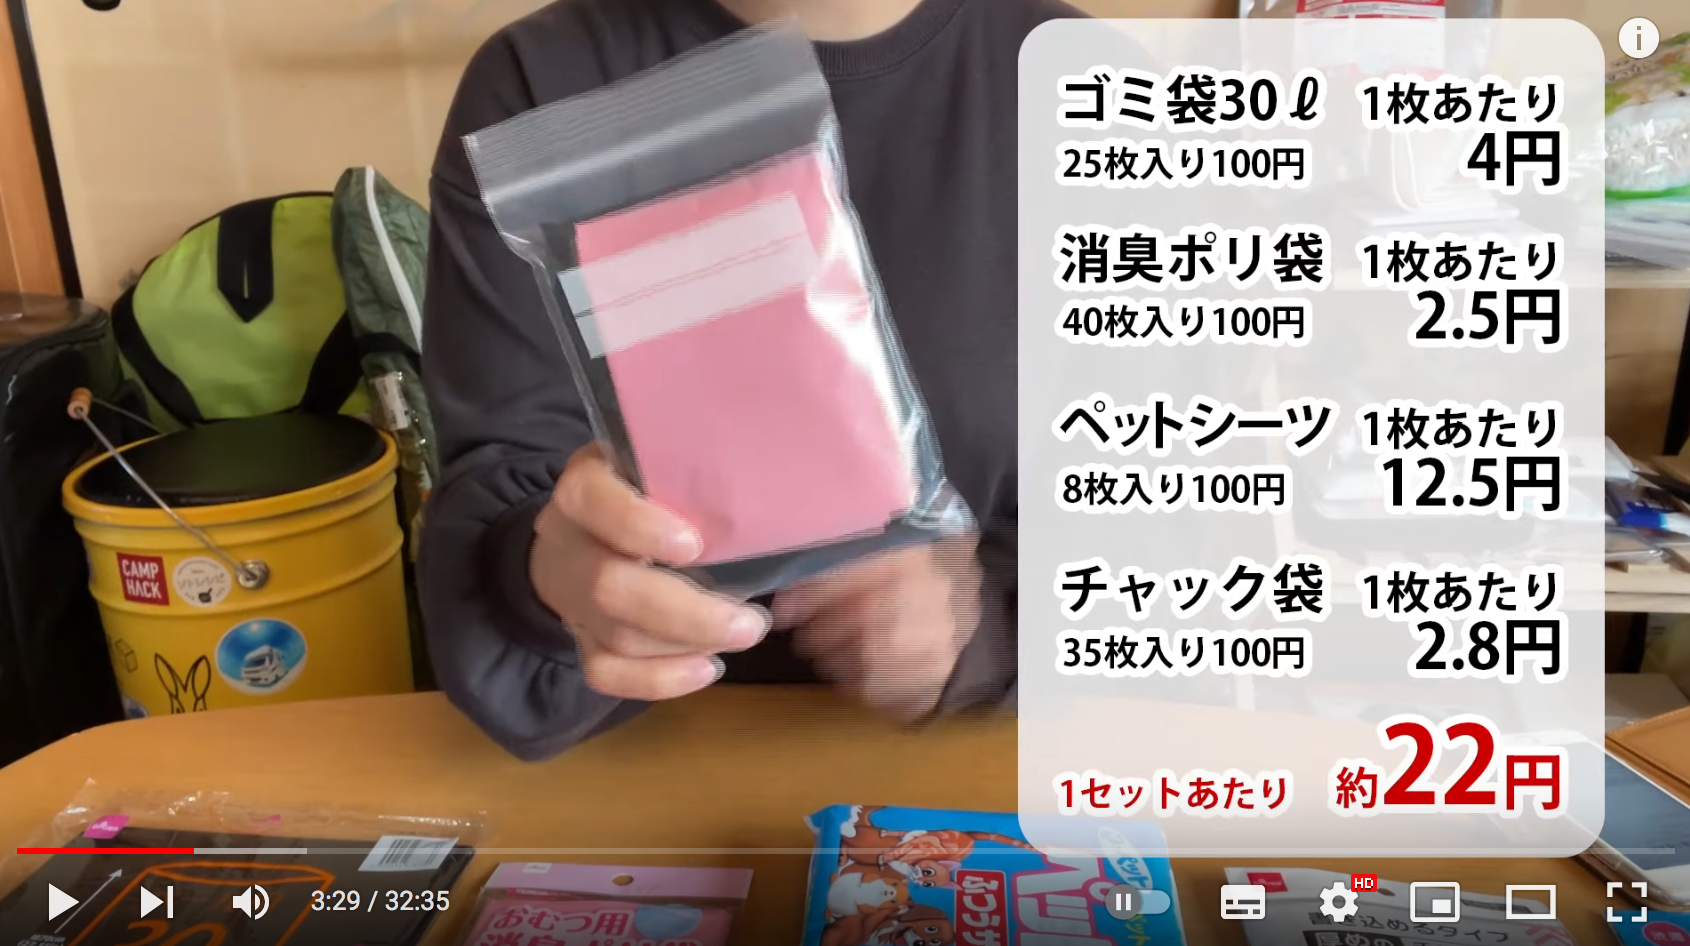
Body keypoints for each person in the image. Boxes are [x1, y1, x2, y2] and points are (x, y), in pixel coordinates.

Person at [419, 0, 1079, 761]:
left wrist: (979, 640)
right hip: (656, 762)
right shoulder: (544, 80)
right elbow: (504, 481)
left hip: (984, 763)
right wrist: (552, 580)